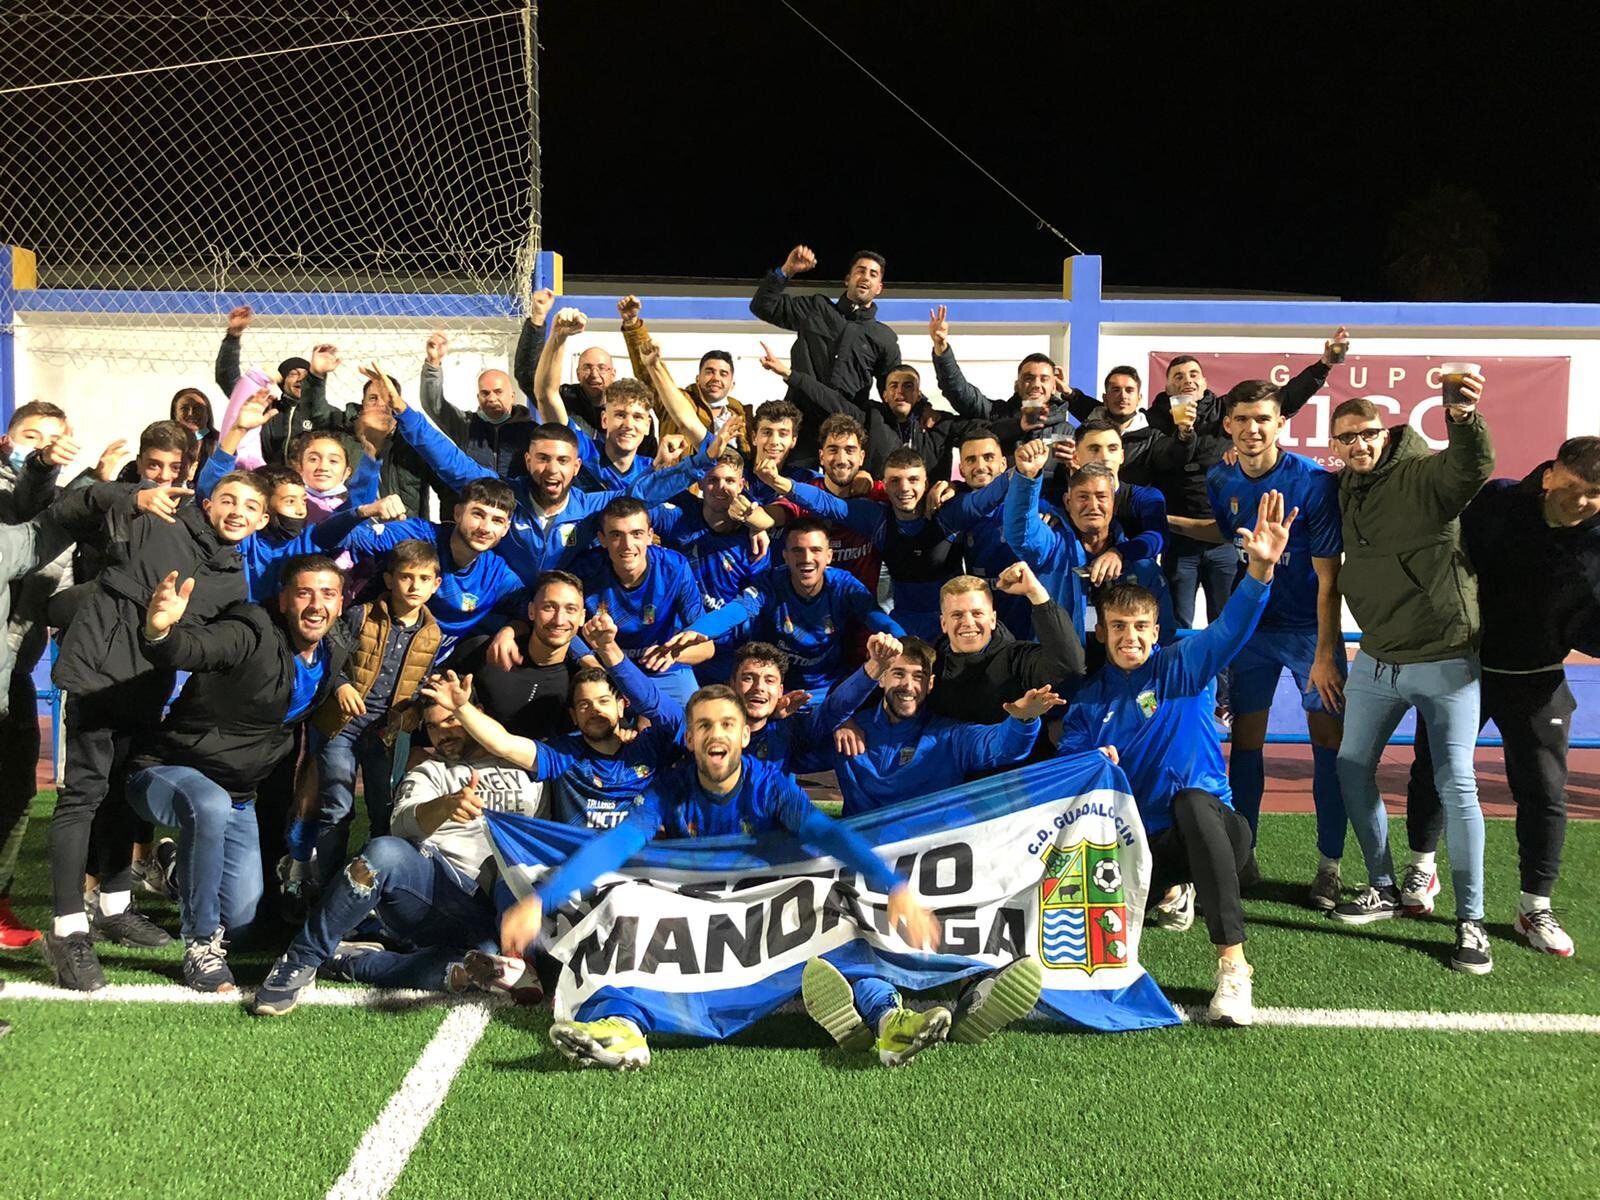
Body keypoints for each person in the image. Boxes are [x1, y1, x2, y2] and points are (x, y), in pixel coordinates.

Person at [494, 684, 940, 1071]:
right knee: (622, 906)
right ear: (689, 739)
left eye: (727, 724)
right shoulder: (670, 787)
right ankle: (624, 1031)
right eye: (704, 726)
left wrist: (894, 886)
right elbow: (616, 845)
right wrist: (541, 900)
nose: (716, 733)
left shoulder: (771, 786)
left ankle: (888, 1021)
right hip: (700, 917)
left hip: (767, 913)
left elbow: (827, 834)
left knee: (835, 897)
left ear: (745, 735)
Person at [1058, 491, 1294, 1027]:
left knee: (1192, 801)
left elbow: (1230, 630)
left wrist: (1259, 572)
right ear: (1103, 633)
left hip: (1219, 831)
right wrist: (1092, 763)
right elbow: (1068, 783)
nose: (1130, 637)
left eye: (1140, 627)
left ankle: (1233, 967)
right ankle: (1169, 889)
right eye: (1118, 627)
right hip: (1144, 850)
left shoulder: (1182, 667)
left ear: (1156, 632)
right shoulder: (1088, 701)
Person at [45, 470, 267, 990]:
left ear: (261, 520)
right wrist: (130, 494)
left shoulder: (234, 577)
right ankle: (68, 927)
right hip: (96, 675)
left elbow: (196, 645)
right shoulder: (154, 515)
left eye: (250, 507)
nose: (237, 511)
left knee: (122, 797)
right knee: (83, 797)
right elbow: (70, 509)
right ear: (208, 502)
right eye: (228, 499)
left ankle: (116, 904)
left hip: (149, 688)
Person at [802, 636, 1058, 1065]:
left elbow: (999, 746)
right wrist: (842, 720)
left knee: (964, 915)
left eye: (918, 677)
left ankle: (975, 994)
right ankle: (887, 1016)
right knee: (857, 929)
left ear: (932, 684)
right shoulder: (849, 732)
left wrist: (1024, 721)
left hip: (934, 872)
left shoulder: (947, 736)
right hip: (866, 870)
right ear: (881, 678)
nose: (908, 685)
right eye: (898, 674)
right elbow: (813, 728)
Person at [1401, 435, 1600, 958]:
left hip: (1537, 678)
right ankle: (1421, 869)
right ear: (1552, 473)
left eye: (1597, 495)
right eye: (1577, 489)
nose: (1584, 504)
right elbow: (1442, 559)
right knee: (1433, 769)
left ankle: (1535, 904)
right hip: (1462, 667)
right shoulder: (1498, 502)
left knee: (1543, 791)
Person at [1326, 376, 1496, 976]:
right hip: (1376, 657)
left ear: (1384, 431)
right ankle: (1382, 884)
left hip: (1445, 657)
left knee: (1457, 784)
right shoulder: (1346, 485)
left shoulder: (1423, 474)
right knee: (1350, 767)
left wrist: (1464, 413)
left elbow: (1472, 466)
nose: (1356, 446)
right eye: (1345, 439)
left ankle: (1472, 922)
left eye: (1366, 434)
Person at [125, 555, 351, 990]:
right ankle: (200, 948)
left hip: (240, 794)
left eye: (328, 594)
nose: (316, 604)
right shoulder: (251, 630)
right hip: (168, 771)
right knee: (207, 803)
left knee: (244, 927)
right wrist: (160, 632)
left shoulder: (332, 646)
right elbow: (198, 647)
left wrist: (341, 684)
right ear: (284, 599)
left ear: (341, 603)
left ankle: (175, 869)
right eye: (304, 593)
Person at [250, 692, 547, 1015]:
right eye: (432, 727)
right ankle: (301, 959)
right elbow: (402, 829)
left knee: (486, 965)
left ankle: (355, 962)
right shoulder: (429, 772)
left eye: (450, 721)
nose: (442, 734)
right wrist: (445, 805)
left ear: (476, 713)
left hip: (510, 910)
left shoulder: (530, 767)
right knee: (384, 853)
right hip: (441, 894)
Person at [1200, 381, 1347, 908]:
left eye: (1263, 418)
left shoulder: (1313, 482)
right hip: (1254, 630)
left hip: (1309, 634)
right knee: (1246, 743)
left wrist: (1328, 653)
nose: (1252, 428)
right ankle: (1245, 855)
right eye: (1242, 419)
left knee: (1327, 746)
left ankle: (1329, 866)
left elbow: (1330, 578)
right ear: (1228, 425)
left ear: (1280, 422)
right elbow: (1227, 539)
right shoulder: (1220, 478)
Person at [372, 364, 710, 581]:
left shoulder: (590, 506)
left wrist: (701, 462)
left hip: (564, 613)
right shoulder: (505, 497)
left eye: (563, 461)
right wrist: (404, 412)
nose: (552, 469)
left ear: (576, 467)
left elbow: (641, 495)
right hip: (506, 609)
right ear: (528, 460)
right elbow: (453, 464)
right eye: (543, 459)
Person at [1146, 331, 1348, 651]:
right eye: (1178, 376)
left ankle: (1223, 698)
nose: (1250, 429)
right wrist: (1154, 515)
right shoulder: (1156, 422)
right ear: (1167, 386)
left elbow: (1286, 397)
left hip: (1236, 554)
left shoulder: (1226, 414)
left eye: (1193, 374)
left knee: (1225, 620)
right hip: (1182, 548)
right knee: (1180, 627)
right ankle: (1189, 698)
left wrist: (1323, 366)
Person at [295, 538, 443, 890]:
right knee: (337, 807)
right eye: (407, 577)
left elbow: (420, 682)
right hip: (342, 724)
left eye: (424, 579)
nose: (415, 586)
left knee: (384, 811)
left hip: (385, 733)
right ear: (390, 579)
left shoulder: (433, 633)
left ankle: (375, 889)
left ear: (436, 584)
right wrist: (342, 684)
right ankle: (326, 886)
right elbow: (328, 650)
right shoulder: (360, 614)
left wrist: (415, 712)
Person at [585, 607, 880, 775]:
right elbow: (651, 701)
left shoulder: (790, 732)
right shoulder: (695, 727)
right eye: (749, 678)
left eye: (768, 681)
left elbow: (833, 710)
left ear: (780, 691)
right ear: (731, 685)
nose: (759, 688)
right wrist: (609, 650)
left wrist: (873, 669)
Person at [763, 445, 1011, 641]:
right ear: (884, 484)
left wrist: (1022, 471)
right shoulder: (876, 519)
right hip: (903, 622)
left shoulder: (948, 513)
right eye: (895, 481)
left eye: (913, 480)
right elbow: (826, 503)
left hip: (953, 620)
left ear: (926, 483)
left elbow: (987, 497)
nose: (904, 488)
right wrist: (779, 482)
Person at [664, 518, 906, 704]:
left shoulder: (843, 585)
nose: (807, 558)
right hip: (777, 691)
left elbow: (877, 618)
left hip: (829, 690)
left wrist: (902, 640)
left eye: (815, 550)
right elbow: (739, 609)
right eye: (798, 551)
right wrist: (699, 630)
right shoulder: (771, 583)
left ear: (829, 556)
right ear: (785, 556)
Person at [0, 403, 79, 947]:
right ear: (7, 440)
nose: (41, 445)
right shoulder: (15, 488)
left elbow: (57, 579)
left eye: (53, 440)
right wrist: (42, 467)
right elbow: (23, 525)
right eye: (31, 437)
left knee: (16, 790)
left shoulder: (56, 504)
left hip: (16, 672)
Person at [749, 245, 901, 469]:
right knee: (794, 493)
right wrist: (787, 270)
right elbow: (762, 306)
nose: (865, 277)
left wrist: (922, 409)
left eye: (873, 274)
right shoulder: (815, 308)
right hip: (801, 427)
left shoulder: (885, 338)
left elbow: (893, 390)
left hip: (846, 435)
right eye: (860, 270)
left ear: (879, 288)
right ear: (847, 278)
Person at [568, 497, 707, 704]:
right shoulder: (586, 570)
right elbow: (561, 626)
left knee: (691, 722)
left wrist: (673, 654)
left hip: (661, 669)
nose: (627, 545)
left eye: (637, 534)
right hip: (604, 667)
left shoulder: (674, 568)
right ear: (602, 538)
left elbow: (707, 645)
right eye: (616, 535)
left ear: (650, 536)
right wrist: (591, 664)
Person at [928, 566, 1084, 725]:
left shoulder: (1017, 659)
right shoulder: (930, 665)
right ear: (944, 624)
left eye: (977, 613)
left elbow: (1068, 667)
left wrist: (1036, 594)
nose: (968, 622)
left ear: (993, 619)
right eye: (957, 615)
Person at [214, 306, 340, 464]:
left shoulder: (326, 415)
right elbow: (227, 378)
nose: (300, 379)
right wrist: (233, 337)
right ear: (282, 381)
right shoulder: (264, 409)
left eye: (306, 374)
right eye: (293, 374)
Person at [619, 294, 748, 449]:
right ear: (697, 378)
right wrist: (633, 325)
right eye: (709, 371)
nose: (716, 378)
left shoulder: (743, 417)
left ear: (732, 384)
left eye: (723, 374)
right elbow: (652, 376)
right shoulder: (677, 402)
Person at [420, 330, 535, 485]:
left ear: (512, 396)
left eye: (498, 392)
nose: (492, 398)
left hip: (515, 505)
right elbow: (434, 405)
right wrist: (433, 364)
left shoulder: (531, 431)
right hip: (475, 505)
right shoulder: (465, 425)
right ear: (478, 397)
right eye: (485, 393)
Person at [514, 288, 614, 440]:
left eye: (601, 368)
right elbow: (528, 378)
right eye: (587, 367)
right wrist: (538, 319)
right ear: (577, 373)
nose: (594, 374)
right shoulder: (565, 398)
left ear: (613, 374)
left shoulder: (627, 405)